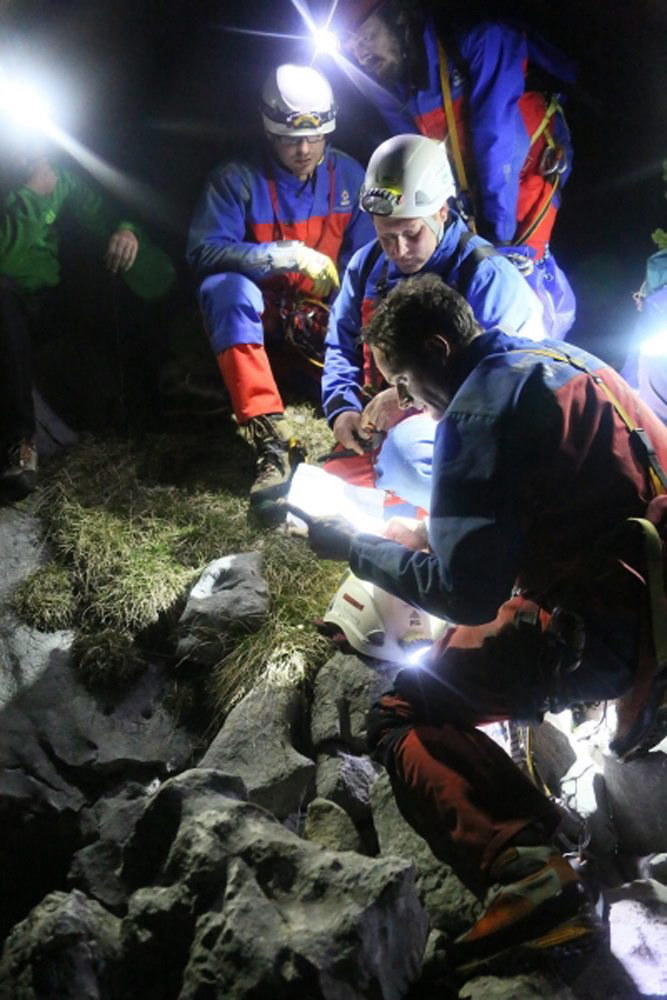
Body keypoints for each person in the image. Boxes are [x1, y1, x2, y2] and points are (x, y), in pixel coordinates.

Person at [294, 273, 667, 973]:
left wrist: (354, 548)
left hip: (607, 632)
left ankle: (531, 881)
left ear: (437, 349)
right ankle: (553, 826)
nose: (404, 403)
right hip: (654, 590)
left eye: (404, 383)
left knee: (403, 709)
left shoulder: (476, 412)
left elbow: (466, 596)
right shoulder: (566, 360)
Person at [322, 132, 544, 512]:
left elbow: (513, 387)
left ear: (442, 211)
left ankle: (472, 521)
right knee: (335, 484)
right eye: (385, 235)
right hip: (392, 422)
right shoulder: (366, 264)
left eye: (411, 233)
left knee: (404, 458)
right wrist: (342, 408)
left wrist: (407, 399)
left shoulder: (488, 277)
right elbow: (341, 342)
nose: (399, 251)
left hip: (469, 426)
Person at [187, 64, 375, 510]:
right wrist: (284, 255)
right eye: (291, 138)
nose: (304, 148)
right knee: (225, 289)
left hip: (320, 323)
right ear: (269, 131)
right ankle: (270, 438)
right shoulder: (236, 179)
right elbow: (203, 252)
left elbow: (367, 264)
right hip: (260, 324)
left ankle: (365, 425)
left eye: (315, 137)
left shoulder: (349, 177)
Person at [333, 0, 577, 338]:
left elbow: (496, 138)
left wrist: (496, 236)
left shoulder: (480, 39)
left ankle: (540, 362)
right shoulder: (389, 76)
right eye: (350, 45)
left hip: (527, 169)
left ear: (398, 18)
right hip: (469, 180)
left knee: (518, 275)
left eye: (366, 37)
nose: (360, 54)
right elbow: (414, 150)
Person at [0, 153, 175, 499]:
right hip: (8, 302)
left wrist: (128, 230)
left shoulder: (57, 175)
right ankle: (19, 444)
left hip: (45, 296)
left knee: (115, 268)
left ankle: (154, 406)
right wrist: (33, 195)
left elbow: (104, 213)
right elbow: (6, 256)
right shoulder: (28, 183)